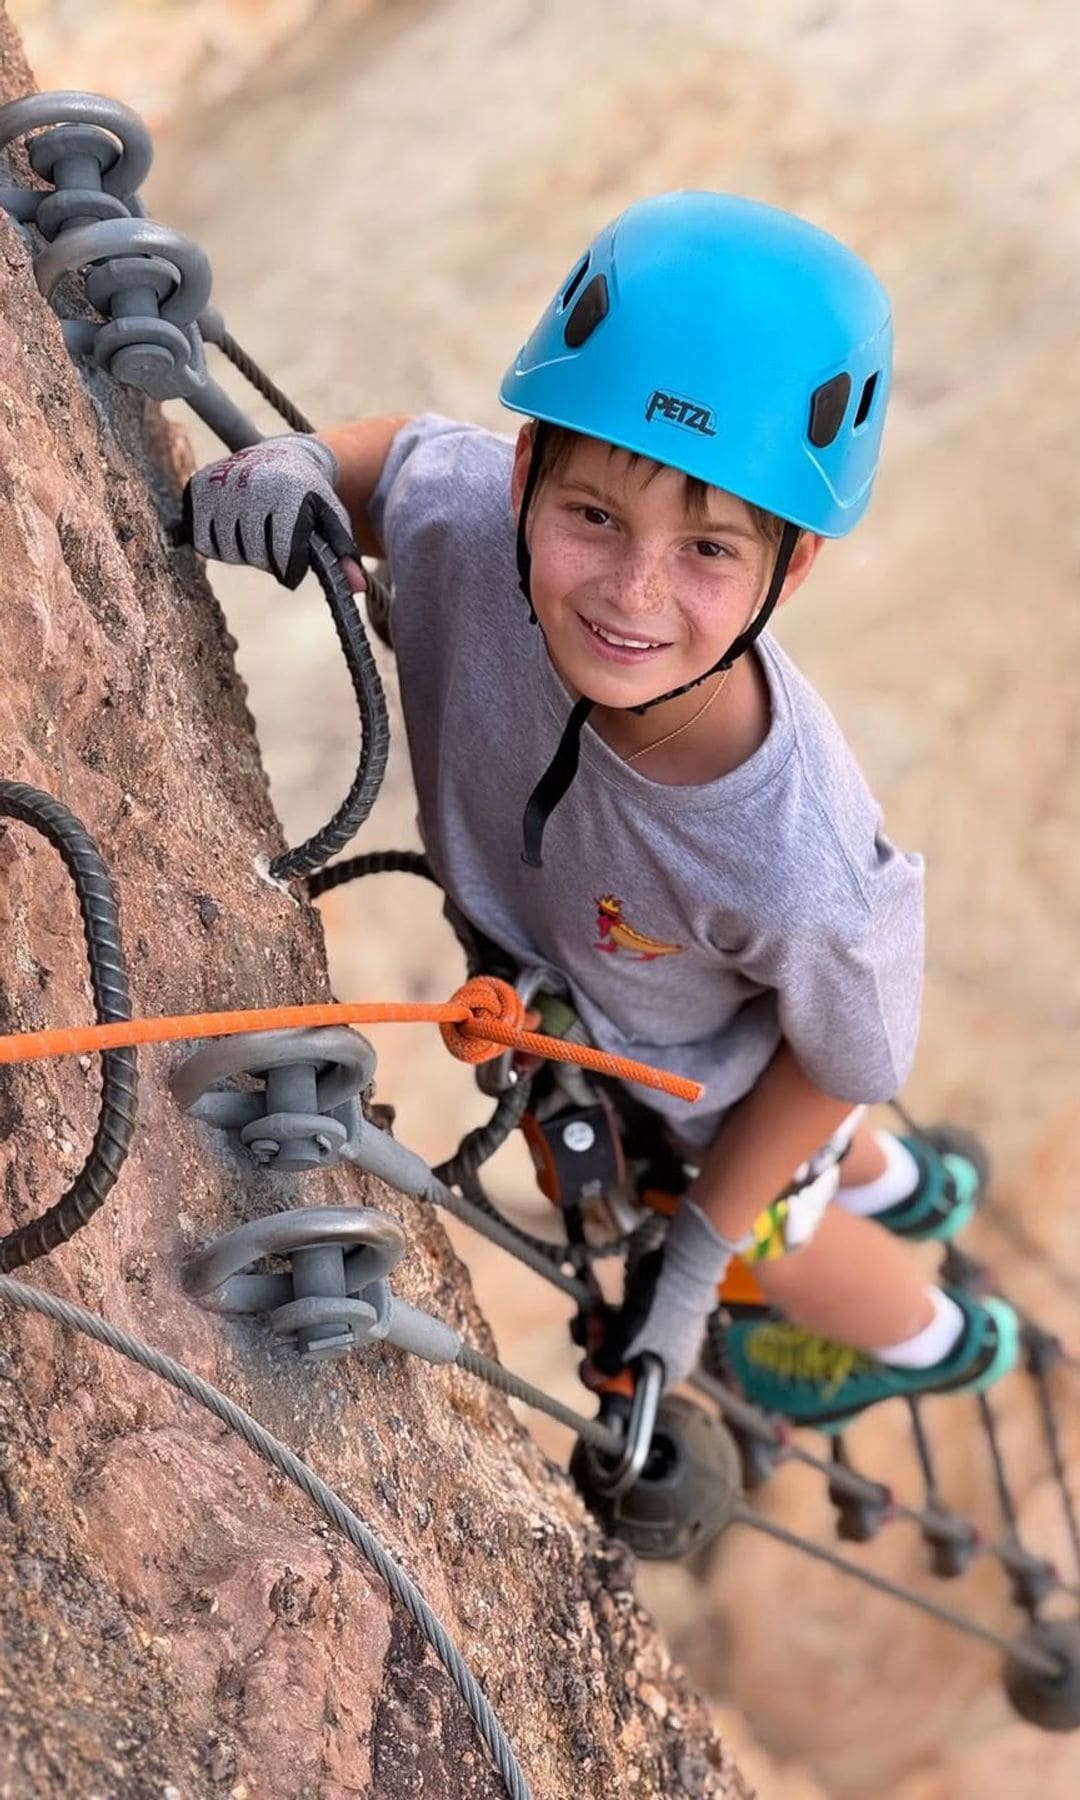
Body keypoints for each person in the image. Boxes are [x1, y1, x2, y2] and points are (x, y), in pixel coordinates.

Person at [180, 191, 1018, 1428]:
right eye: (593, 516)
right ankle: (909, 1187)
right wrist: (302, 464)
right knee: (821, 1149)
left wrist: (694, 1273)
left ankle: (940, 1338)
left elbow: (848, 1060)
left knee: (774, 1233)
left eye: (711, 550)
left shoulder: (802, 866)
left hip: (706, 1091)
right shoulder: (475, 519)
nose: (632, 592)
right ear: (526, 475)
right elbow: (400, 462)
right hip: (593, 986)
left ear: (791, 569)